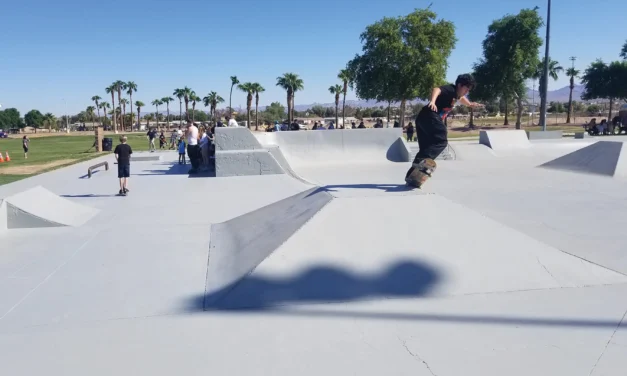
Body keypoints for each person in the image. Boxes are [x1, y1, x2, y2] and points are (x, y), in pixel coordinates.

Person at [405, 73, 482, 187]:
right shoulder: (450, 89)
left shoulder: (456, 95)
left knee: (426, 148)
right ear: (460, 85)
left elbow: (461, 98)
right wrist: (432, 101)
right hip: (430, 116)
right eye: (466, 89)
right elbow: (437, 89)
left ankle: (412, 175)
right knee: (441, 140)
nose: (467, 92)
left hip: (422, 120)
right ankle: (418, 162)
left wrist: (470, 104)